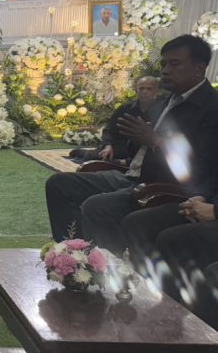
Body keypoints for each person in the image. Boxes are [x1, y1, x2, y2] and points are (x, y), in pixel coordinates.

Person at [45, 35, 218, 251]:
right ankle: (71, 257)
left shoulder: (211, 108)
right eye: (163, 64)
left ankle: (102, 267)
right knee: (59, 184)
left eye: (174, 64)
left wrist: (157, 141)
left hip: (165, 186)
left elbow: (201, 167)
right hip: (131, 174)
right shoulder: (164, 102)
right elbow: (137, 147)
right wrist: (130, 141)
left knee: (97, 207)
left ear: (199, 69)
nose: (165, 71)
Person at [69, 76, 161, 163]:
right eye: (141, 88)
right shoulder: (125, 109)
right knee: (93, 157)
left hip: (144, 150)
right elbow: (108, 130)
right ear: (136, 90)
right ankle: (89, 153)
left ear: (156, 91)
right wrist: (108, 146)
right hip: (120, 147)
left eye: (149, 89)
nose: (144, 92)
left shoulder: (161, 110)